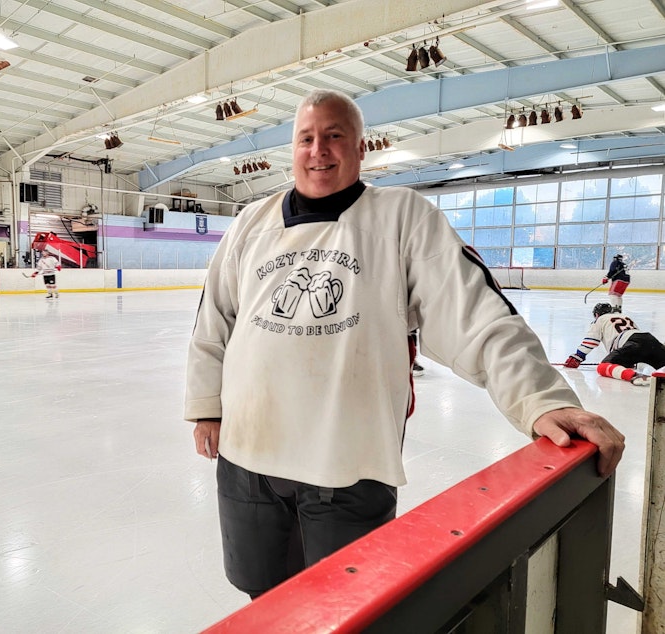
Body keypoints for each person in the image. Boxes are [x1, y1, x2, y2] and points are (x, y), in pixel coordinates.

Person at [184, 89, 624, 600]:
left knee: (346, 605)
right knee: (263, 596)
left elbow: (476, 313)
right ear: (293, 147)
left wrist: (541, 399)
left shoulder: (400, 217)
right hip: (248, 456)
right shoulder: (250, 223)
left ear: (360, 147)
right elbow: (213, 319)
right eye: (306, 138)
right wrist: (206, 407)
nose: (318, 150)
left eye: (334, 136)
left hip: (346, 466)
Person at [564, 302, 663, 387]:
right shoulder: (625, 316)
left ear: (597, 314)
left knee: (603, 367)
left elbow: (591, 340)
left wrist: (578, 356)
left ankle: (634, 376)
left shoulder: (600, 319)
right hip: (650, 339)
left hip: (632, 344)